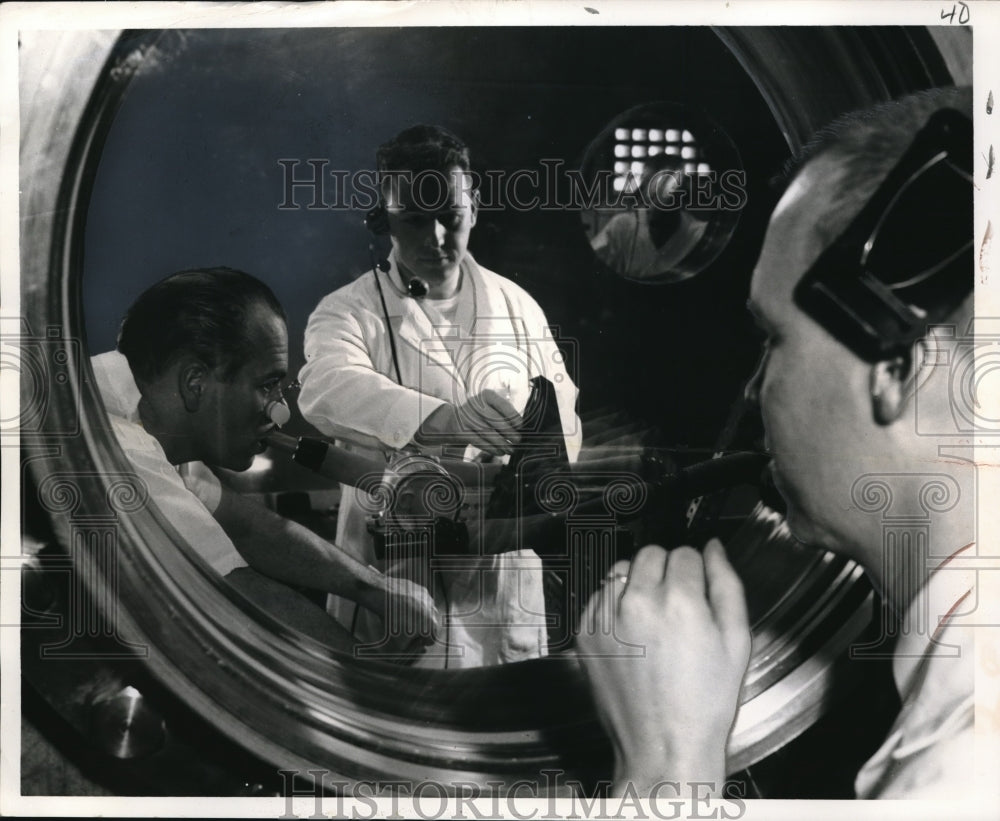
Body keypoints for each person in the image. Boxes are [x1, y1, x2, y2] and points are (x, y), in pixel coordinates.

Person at [577, 86, 989, 799]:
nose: (752, 389)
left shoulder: (960, 766)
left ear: (896, 367)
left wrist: (666, 769)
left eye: (775, 338)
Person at [298, 124, 582, 667]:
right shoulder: (347, 310)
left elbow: (566, 416)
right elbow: (324, 388)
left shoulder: (519, 306)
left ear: (473, 208)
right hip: (400, 572)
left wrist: (527, 458)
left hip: (500, 574)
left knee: (502, 726)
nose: (435, 238)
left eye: (450, 216)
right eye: (412, 220)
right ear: (382, 220)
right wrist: (448, 420)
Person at [89, 267, 438, 653]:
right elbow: (236, 595)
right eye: (267, 385)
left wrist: (376, 589)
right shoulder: (114, 446)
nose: (280, 412)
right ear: (195, 383)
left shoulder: (155, 424)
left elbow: (246, 529)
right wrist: (371, 683)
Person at [590, 154, 708, 282]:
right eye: (651, 195)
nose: (654, 206)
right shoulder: (622, 227)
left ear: (682, 196)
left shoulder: (700, 234)